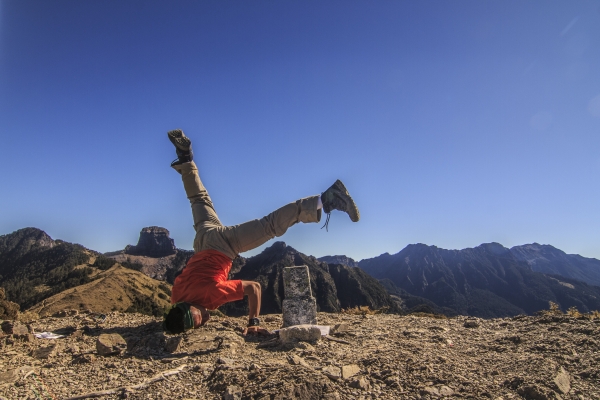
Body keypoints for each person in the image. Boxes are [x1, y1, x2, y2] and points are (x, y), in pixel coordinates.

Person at [163, 129, 360, 335]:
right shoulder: (176, 297)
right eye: (199, 323)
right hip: (202, 238)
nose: (203, 320)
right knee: (198, 199)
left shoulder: (212, 294)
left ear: (190, 309)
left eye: (199, 318)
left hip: (224, 245)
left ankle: (328, 198)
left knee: (270, 226)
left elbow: (254, 288)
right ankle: (186, 160)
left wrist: (253, 322)